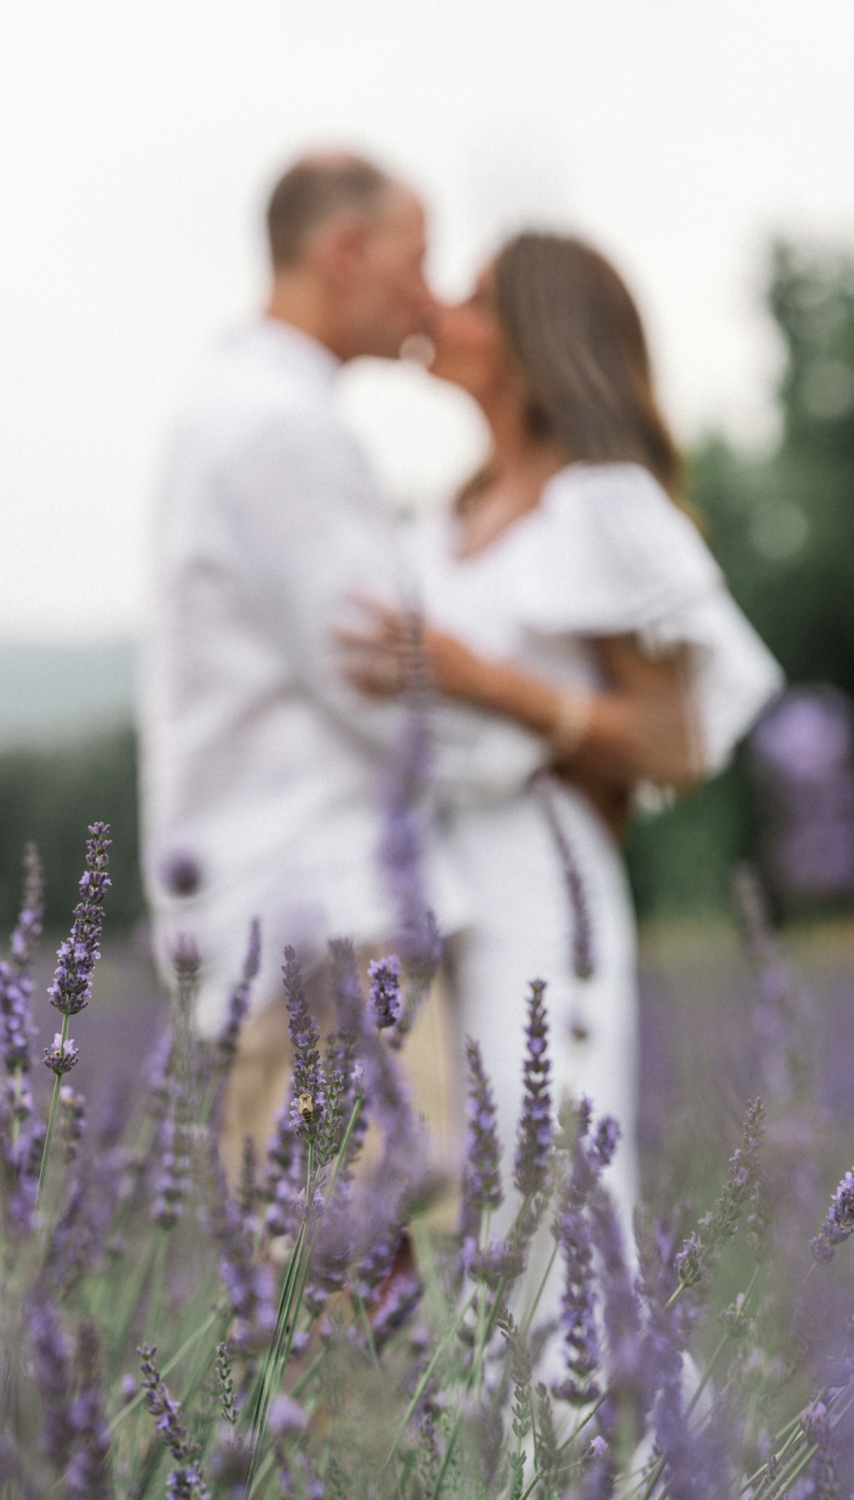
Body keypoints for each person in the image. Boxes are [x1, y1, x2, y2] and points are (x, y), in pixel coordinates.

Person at [340, 233, 784, 1229]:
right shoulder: (447, 516)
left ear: (537, 337)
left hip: (537, 880)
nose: (445, 310)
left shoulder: (600, 504)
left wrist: (485, 682)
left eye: (479, 298)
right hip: (426, 883)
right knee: (442, 1210)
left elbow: (680, 741)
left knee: (545, 1205)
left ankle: (592, 1390)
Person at [139, 154, 539, 1173]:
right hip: (335, 941)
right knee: (383, 1307)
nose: (428, 296)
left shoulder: (233, 409)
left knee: (298, 1305)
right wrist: (553, 732)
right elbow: (386, 689)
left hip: (276, 936)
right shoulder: (283, 429)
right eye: (416, 261)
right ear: (345, 251)